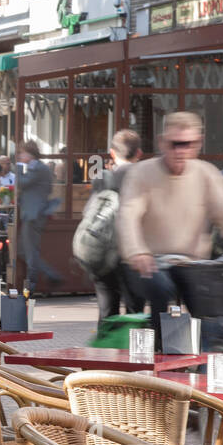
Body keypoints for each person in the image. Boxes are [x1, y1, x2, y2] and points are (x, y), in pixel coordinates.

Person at [118, 112, 223, 351]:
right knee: (161, 290)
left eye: (188, 144)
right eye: (174, 144)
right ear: (161, 142)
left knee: (211, 316)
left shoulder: (206, 173)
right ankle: (159, 350)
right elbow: (128, 215)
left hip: (192, 263)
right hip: (151, 261)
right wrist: (137, 251)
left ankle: (205, 368)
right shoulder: (141, 173)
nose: (180, 151)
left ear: (198, 144)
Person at [89, 130, 144, 321]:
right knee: (135, 311)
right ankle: (134, 349)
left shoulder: (102, 179)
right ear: (139, 153)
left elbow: (91, 215)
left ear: (113, 153)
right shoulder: (147, 179)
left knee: (106, 311)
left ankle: (105, 349)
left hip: (105, 254)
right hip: (136, 254)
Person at [15, 140, 62, 292]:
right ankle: (49, 275)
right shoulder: (38, 167)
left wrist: (18, 169)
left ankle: (32, 286)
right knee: (22, 250)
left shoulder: (37, 167)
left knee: (30, 252)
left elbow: (22, 183)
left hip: (33, 214)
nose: (20, 156)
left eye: (22, 153)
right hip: (32, 213)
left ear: (30, 154)